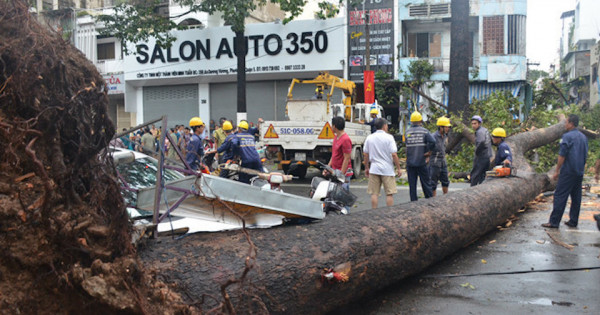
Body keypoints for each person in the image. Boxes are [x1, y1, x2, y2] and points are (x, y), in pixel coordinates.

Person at [542, 114, 588, 229]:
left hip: (568, 170)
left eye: (566, 122)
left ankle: (554, 222)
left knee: (560, 195)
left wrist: (557, 170)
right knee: (576, 197)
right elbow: (585, 155)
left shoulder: (567, 137)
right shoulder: (583, 137)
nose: (565, 124)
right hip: (579, 171)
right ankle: (573, 220)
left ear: (571, 123)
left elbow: (562, 155)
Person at [363, 118, 402, 208]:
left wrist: (366, 167)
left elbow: (366, 154)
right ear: (384, 126)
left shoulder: (370, 137)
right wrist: (398, 168)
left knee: (374, 193)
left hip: (374, 169)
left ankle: (374, 212)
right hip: (387, 169)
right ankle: (388, 214)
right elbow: (394, 154)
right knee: (389, 194)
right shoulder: (389, 137)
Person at [405, 111, 435, 201]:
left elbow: (406, 146)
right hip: (422, 162)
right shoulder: (424, 132)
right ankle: (429, 201)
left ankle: (414, 203)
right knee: (426, 184)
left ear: (411, 121)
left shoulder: (407, 132)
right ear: (420, 121)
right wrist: (429, 151)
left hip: (410, 163)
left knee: (412, 186)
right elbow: (433, 141)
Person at [326, 116, 354, 186]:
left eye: (332, 125)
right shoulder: (336, 137)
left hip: (344, 174)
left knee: (342, 194)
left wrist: (341, 174)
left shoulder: (345, 139)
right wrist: (328, 167)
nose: (331, 127)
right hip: (335, 172)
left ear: (334, 126)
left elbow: (347, 158)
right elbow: (334, 155)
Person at [429, 116, 451, 196]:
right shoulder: (433, 136)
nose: (448, 129)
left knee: (445, 181)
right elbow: (428, 149)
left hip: (443, 161)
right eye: (446, 127)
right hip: (435, 161)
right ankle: (433, 200)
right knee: (433, 182)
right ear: (441, 127)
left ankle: (445, 198)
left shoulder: (445, 136)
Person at [470, 115, 492, 186]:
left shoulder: (479, 132)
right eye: (472, 123)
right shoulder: (485, 130)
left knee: (475, 174)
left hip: (482, 156)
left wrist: (477, 152)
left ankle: (472, 190)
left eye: (475, 123)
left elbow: (481, 142)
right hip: (487, 156)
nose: (473, 125)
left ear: (479, 123)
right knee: (482, 175)